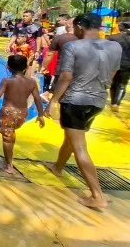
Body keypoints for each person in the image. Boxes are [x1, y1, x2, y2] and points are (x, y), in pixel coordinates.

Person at [45, 14, 121, 208]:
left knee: (79, 146)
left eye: (73, 27)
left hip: (75, 100)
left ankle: (97, 195)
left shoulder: (73, 47)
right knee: (73, 136)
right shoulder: (114, 47)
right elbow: (112, 75)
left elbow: (66, 77)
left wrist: (53, 101)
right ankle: (58, 167)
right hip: (98, 101)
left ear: (79, 27)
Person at [0, 55, 46, 174]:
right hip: (22, 113)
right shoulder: (32, 82)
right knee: (11, 134)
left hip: (8, 112)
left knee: (6, 138)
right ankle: (9, 159)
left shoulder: (7, 81)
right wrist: (41, 115)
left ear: (8, 66)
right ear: (24, 67)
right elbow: (38, 99)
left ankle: (9, 165)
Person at [108, 22, 130, 111]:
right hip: (127, 64)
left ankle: (113, 102)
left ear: (120, 28)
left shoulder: (113, 37)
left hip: (113, 63)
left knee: (113, 83)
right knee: (122, 84)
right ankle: (116, 104)